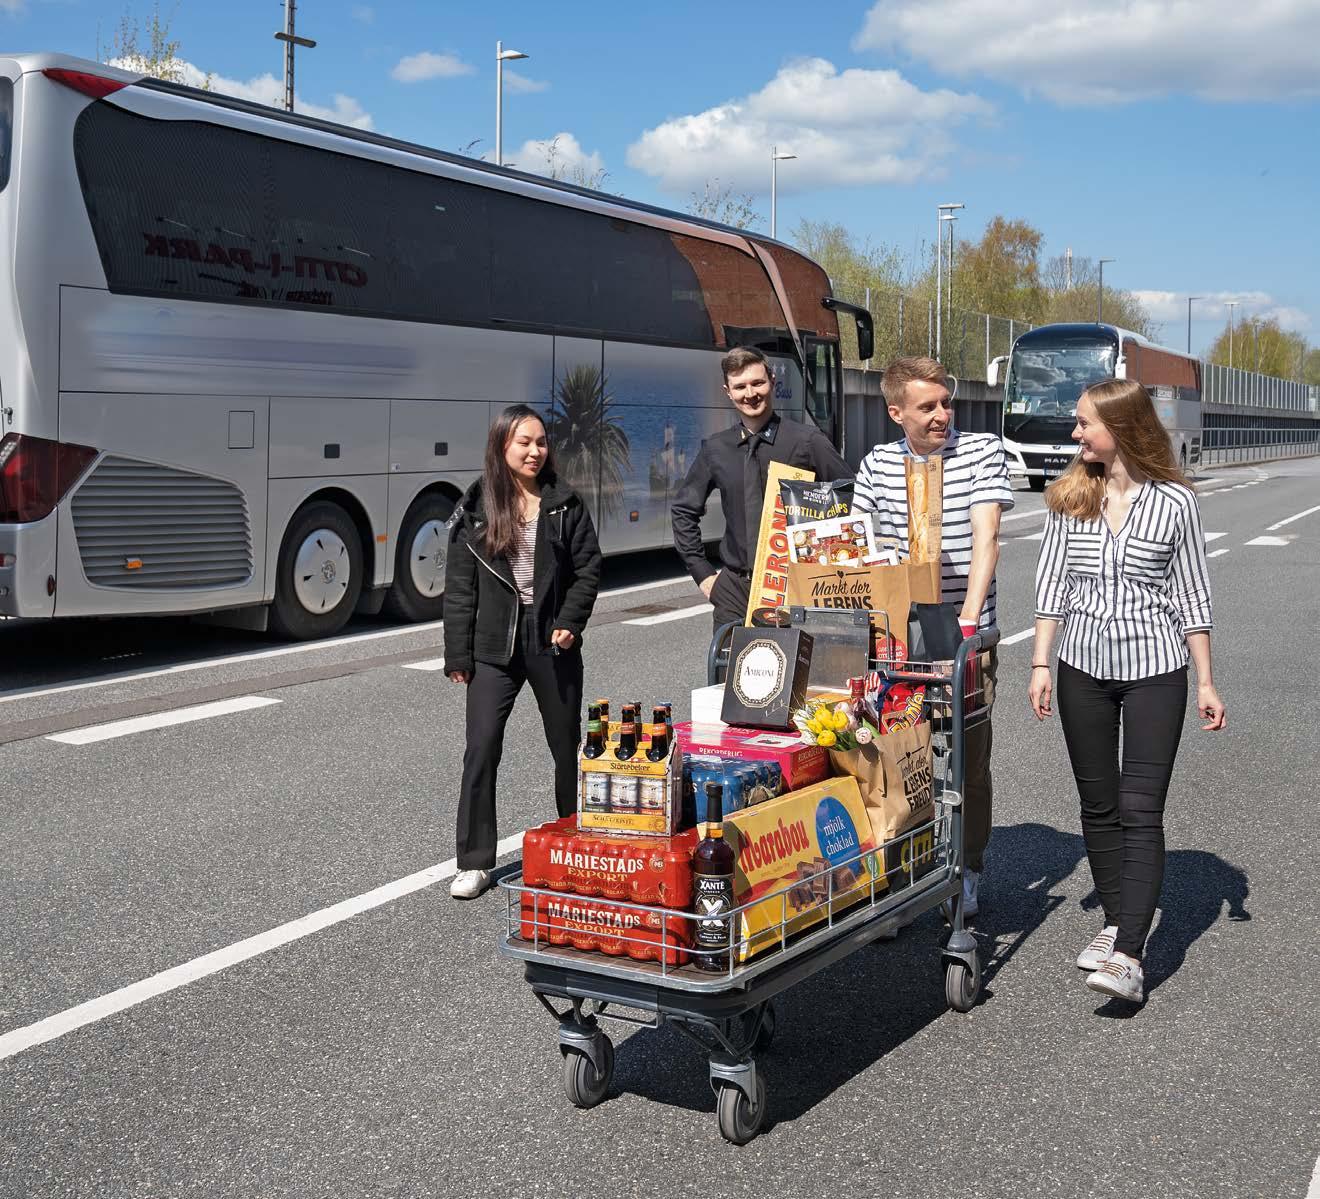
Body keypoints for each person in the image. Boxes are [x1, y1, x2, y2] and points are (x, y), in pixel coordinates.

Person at [1030, 377, 1225, 1004]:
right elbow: (1052, 584)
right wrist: (1040, 663)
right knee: (1098, 805)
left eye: (1085, 422)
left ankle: (1130, 956)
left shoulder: (1175, 503)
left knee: (1140, 808)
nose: (1076, 432)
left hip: (1155, 669)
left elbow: (1192, 592)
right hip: (1081, 667)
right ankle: (1118, 921)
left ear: (1121, 427)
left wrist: (1206, 681)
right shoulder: (1070, 497)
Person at [852, 356, 1013, 919]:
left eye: (947, 402)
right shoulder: (877, 464)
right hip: (897, 635)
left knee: (968, 757)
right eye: (928, 407)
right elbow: (861, 543)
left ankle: (967, 867)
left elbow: (987, 537)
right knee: (890, 754)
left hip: (962, 630)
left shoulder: (981, 452)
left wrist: (969, 619)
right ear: (896, 412)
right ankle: (896, 869)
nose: (943, 414)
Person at [443, 405, 602, 899]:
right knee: (481, 747)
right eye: (524, 443)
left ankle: (577, 845)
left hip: (551, 641)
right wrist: (458, 655)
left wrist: (570, 622)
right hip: (494, 646)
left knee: (567, 748)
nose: (535, 452)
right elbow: (460, 588)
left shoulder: (564, 503)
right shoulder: (476, 507)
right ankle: (473, 863)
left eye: (541, 442)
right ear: (501, 447)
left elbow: (588, 569)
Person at [671, 346, 851, 631]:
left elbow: (850, 497)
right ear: (728, 392)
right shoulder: (716, 449)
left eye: (758, 383)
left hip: (794, 587)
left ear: (773, 383)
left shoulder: (808, 441)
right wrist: (703, 574)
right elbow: (683, 510)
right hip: (734, 591)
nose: (750, 393)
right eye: (740, 387)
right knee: (728, 661)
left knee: (789, 660)